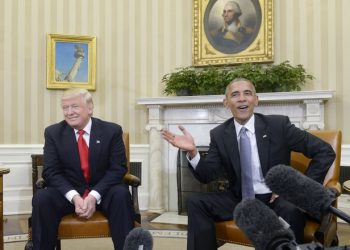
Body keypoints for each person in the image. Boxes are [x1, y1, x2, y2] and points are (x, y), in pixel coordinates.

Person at [161, 78, 336, 250]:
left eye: (247, 93)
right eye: (235, 95)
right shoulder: (220, 134)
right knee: (196, 202)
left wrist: (296, 189)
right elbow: (207, 176)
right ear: (226, 103)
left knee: (291, 209)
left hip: (276, 198)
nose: (242, 98)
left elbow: (324, 151)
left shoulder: (278, 125)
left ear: (256, 100)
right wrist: (192, 152)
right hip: (240, 198)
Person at [31, 88, 134, 250]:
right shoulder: (53, 133)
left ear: (90, 108)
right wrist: (75, 197)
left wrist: (93, 196)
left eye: (75, 106)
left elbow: (118, 169)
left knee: (121, 194)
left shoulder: (111, 131)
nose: (69, 112)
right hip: (68, 194)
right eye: (65, 108)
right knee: (42, 198)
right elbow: (51, 171)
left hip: (104, 193)